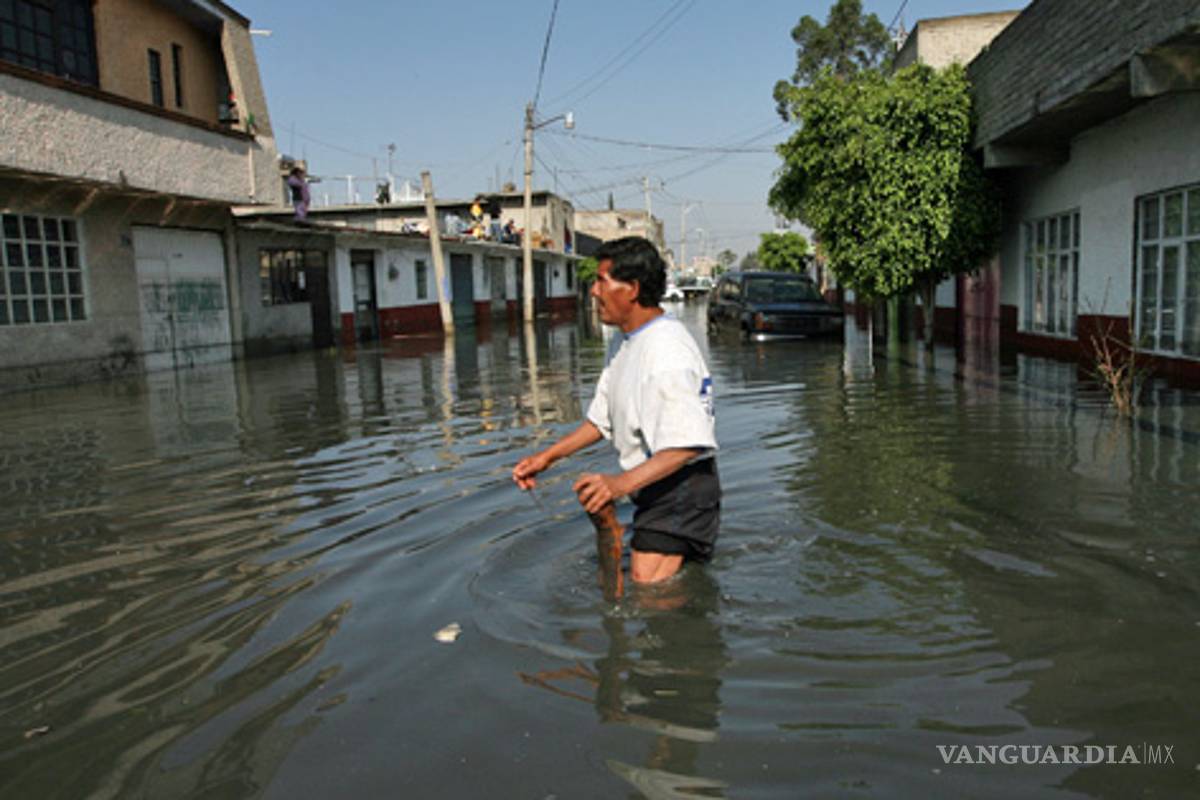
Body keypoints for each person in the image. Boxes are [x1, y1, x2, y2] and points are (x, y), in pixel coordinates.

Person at [512, 236, 720, 584]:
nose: (593, 291)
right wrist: (546, 458)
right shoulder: (626, 340)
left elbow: (689, 443)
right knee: (643, 586)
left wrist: (617, 485)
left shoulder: (666, 350)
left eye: (602, 281)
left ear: (632, 289)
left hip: (681, 489)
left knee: (650, 595)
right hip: (652, 484)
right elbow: (601, 419)